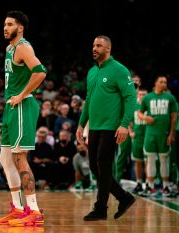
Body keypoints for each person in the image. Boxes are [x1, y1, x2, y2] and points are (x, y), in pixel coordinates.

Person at [76, 35, 136, 221]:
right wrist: (81, 124)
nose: (94, 48)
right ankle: (124, 197)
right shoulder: (92, 72)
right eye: (93, 45)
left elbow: (130, 97)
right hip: (94, 126)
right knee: (95, 167)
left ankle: (100, 208)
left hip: (111, 127)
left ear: (108, 49)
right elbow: (88, 101)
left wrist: (124, 125)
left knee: (103, 164)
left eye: (99, 45)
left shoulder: (119, 70)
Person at [0, 11, 46, 227]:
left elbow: (41, 72)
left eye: (9, 24)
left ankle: (33, 210)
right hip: (11, 107)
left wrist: (22, 94)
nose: (5, 28)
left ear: (20, 28)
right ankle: (17, 208)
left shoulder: (23, 47)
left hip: (22, 106)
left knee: (19, 158)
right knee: (5, 159)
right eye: (4, 24)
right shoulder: (9, 49)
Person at [137, 75, 177, 196]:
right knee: (150, 159)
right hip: (150, 133)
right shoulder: (148, 97)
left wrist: (171, 133)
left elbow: (174, 117)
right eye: (161, 82)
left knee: (164, 159)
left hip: (164, 134)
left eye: (165, 82)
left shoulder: (170, 98)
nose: (164, 84)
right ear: (155, 83)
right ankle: (150, 186)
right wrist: (145, 117)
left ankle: (166, 186)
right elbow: (139, 113)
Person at [129, 87, 148, 194]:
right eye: (140, 94)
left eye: (144, 94)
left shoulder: (149, 106)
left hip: (148, 137)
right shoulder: (134, 106)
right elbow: (128, 120)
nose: (142, 96)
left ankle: (149, 184)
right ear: (137, 95)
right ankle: (139, 183)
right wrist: (130, 131)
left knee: (148, 161)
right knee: (138, 161)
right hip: (137, 138)